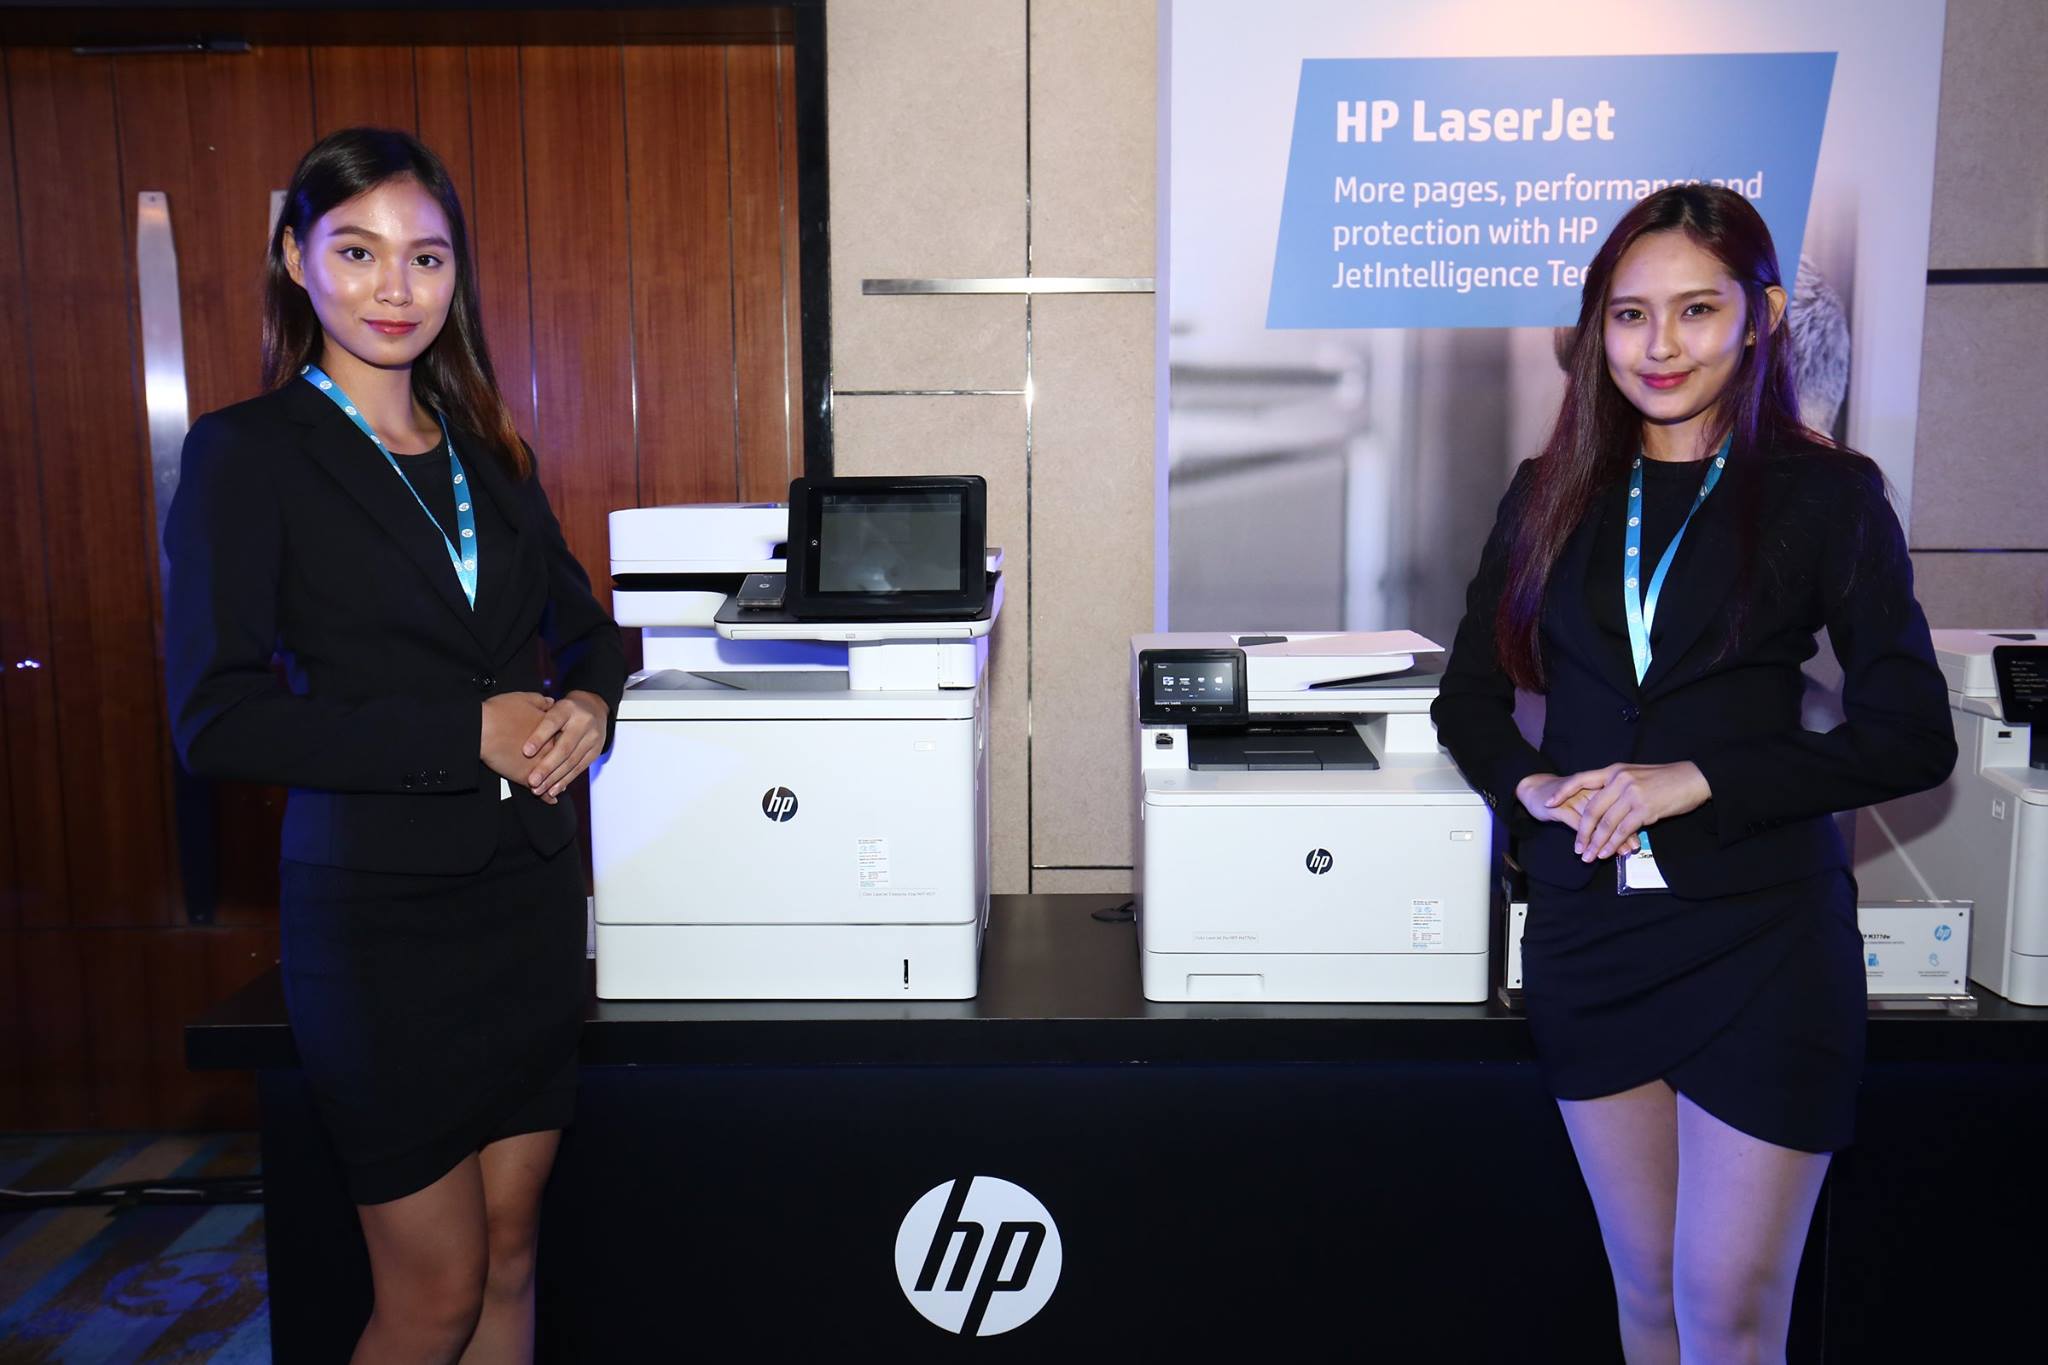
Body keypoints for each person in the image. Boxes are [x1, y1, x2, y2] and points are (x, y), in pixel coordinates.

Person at [1431, 184, 1954, 1365]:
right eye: (1628, 316)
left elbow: (1911, 736)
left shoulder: (1826, 496)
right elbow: (1466, 699)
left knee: (1725, 1308)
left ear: (1758, 317)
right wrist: (1531, 788)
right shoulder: (1547, 492)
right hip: (1592, 936)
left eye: (1694, 310)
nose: (1658, 346)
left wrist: (1700, 777)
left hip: (1761, 939)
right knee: (1645, 1299)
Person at [165, 127, 624, 1363]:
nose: (395, 287)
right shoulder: (248, 453)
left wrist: (588, 709)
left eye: (426, 257)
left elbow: (590, 635)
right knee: (434, 1293)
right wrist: (464, 731)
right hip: (379, 929)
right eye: (357, 251)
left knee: (512, 1257)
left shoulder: (491, 457)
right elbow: (217, 720)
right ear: (294, 259)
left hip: (524, 907)